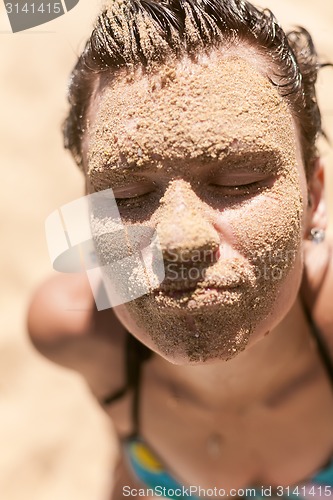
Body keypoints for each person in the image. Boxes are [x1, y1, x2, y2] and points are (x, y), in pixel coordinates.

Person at [28, 0, 333, 498]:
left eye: (238, 181)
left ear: (314, 197)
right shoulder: (77, 333)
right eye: (126, 196)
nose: (180, 239)